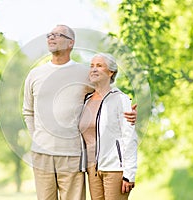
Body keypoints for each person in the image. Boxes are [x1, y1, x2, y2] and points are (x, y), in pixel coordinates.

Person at [22, 25, 137, 200]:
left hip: (73, 155)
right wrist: (37, 138)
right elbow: (28, 112)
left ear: (71, 43)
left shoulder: (84, 73)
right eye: (49, 35)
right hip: (42, 154)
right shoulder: (35, 74)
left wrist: (126, 110)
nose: (51, 38)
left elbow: (106, 90)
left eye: (57, 35)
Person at [79, 53, 138, 200]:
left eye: (99, 65)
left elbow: (129, 137)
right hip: (92, 168)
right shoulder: (85, 100)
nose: (93, 69)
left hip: (114, 168)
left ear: (111, 72)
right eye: (91, 66)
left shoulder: (120, 99)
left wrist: (129, 174)